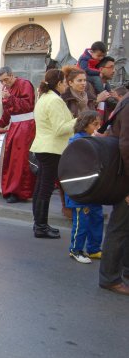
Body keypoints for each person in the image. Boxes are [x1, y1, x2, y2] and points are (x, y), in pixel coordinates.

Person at [30, 69, 75, 239]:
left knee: (41, 187)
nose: (66, 85)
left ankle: (39, 223)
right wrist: (78, 121)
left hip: (44, 147)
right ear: (59, 83)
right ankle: (40, 226)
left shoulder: (44, 97)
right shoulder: (54, 100)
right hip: (51, 149)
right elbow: (59, 129)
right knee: (45, 188)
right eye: (64, 82)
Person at [97, 91, 129, 295]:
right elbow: (126, 145)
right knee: (119, 227)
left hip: (123, 175)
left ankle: (123, 270)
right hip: (125, 177)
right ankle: (110, 278)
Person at [65, 111, 103, 264]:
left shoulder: (89, 139)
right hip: (80, 189)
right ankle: (76, 250)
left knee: (96, 217)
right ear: (85, 124)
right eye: (95, 124)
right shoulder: (77, 141)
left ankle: (94, 249)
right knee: (82, 221)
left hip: (92, 188)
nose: (97, 127)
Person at [0, 66, 37, 204]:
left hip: (25, 126)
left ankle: (21, 192)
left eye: (6, 79)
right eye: (1, 81)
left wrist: (10, 98)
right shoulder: (5, 89)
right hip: (14, 126)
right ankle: (10, 189)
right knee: (11, 159)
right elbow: (7, 110)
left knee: (20, 160)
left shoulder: (25, 84)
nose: (4, 83)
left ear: (12, 75)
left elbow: (27, 105)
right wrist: (1, 123)